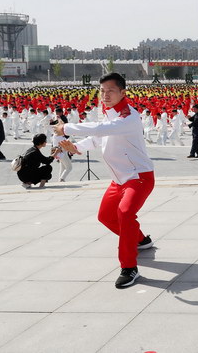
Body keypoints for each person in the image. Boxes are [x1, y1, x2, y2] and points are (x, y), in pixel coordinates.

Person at [55, 73, 156, 289]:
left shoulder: (129, 116)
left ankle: (129, 267)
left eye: (110, 91)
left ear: (122, 92)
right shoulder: (109, 113)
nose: (105, 95)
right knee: (105, 216)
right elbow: (98, 137)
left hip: (138, 177)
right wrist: (77, 147)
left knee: (125, 213)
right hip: (118, 180)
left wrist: (67, 128)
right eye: (102, 91)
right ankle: (140, 240)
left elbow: (103, 129)